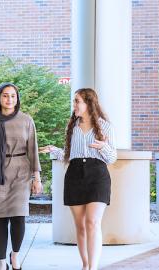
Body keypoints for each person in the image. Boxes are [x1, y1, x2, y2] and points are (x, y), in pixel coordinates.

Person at [39, 88, 117, 270]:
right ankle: (85, 264)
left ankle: (93, 267)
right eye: (74, 101)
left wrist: (102, 147)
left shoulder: (105, 127)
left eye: (77, 101)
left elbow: (112, 158)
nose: (74, 105)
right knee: (80, 226)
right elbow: (69, 155)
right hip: (74, 175)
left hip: (97, 175)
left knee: (93, 222)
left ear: (89, 103)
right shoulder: (72, 127)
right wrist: (53, 150)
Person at [0, 83, 42, 270]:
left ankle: (15, 254)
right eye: (5, 96)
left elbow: (33, 151)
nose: (9, 99)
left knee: (19, 216)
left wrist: (37, 178)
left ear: (17, 98)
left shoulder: (26, 120)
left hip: (21, 171)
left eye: (13, 96)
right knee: (0, 218)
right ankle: (1, 261)